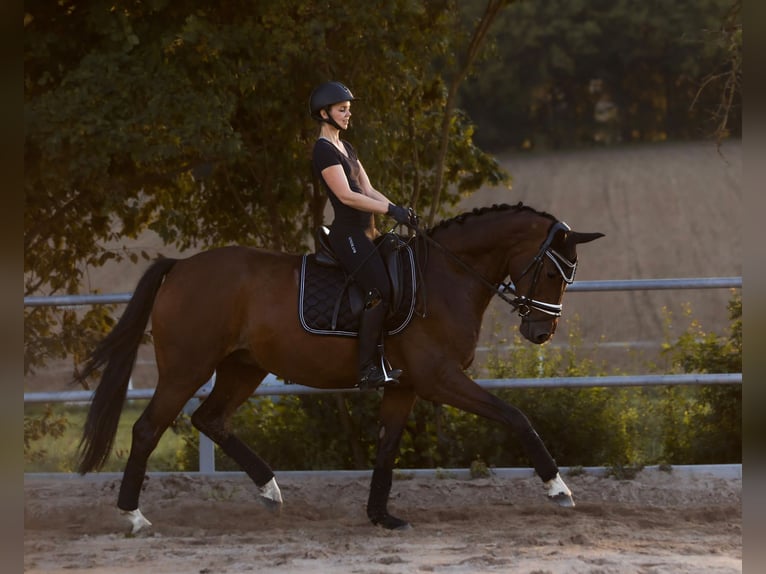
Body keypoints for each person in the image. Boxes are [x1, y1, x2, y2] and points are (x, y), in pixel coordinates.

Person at [309, 80, 416, 390]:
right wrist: (389, 211)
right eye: (342, 110)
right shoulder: (324, 150)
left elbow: (367, 189)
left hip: (369, 231)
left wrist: (398, 208)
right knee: (380, 290)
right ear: (324, 113)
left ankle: (389, 357)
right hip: (349, 235)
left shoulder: (347, 147)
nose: (347, 115)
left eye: (349, 110)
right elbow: (347, 196)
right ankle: (367, 368)